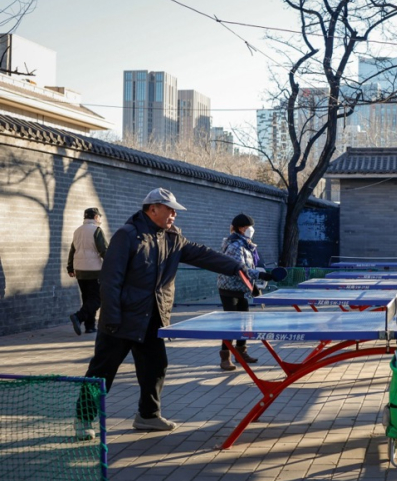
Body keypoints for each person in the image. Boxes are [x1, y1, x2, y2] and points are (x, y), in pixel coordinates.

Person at [75, 188, 271, 440]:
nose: (174, 214)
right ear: (152, 208)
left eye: (175, 210)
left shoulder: (172, 237)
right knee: (103, 370)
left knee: (155, 368)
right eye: (170, 209)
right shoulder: (128, 235)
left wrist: (237, 267)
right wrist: (111, 317)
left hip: (153, 318)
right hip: (122, 319)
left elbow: (202, 254)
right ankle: (83, 418)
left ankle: (148, 416)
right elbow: (110, 279)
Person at [216, 213, 263, 371]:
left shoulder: (246, 244)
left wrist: (254, 284)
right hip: (229, 288)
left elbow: (248, 269)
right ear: (242, 228)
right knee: (230, 324)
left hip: (241, 288)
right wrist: (260, 275)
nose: (251, 229)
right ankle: (225, 357)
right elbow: (240, 268)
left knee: (244, 322)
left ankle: (241, 352)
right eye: (249, 226)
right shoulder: (235, 244)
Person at [67, 208, 109, 335]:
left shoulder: (77, 231)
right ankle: (78, 317)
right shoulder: (96, 230)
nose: (100, 219)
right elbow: (104, 250)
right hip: (94, 270)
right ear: (96, 217)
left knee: (87, 299)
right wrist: (111, 266)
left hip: (79, 270)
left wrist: (70, 267)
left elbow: (72, 250)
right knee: (97, 299)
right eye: (99, 217)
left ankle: (90, 326)